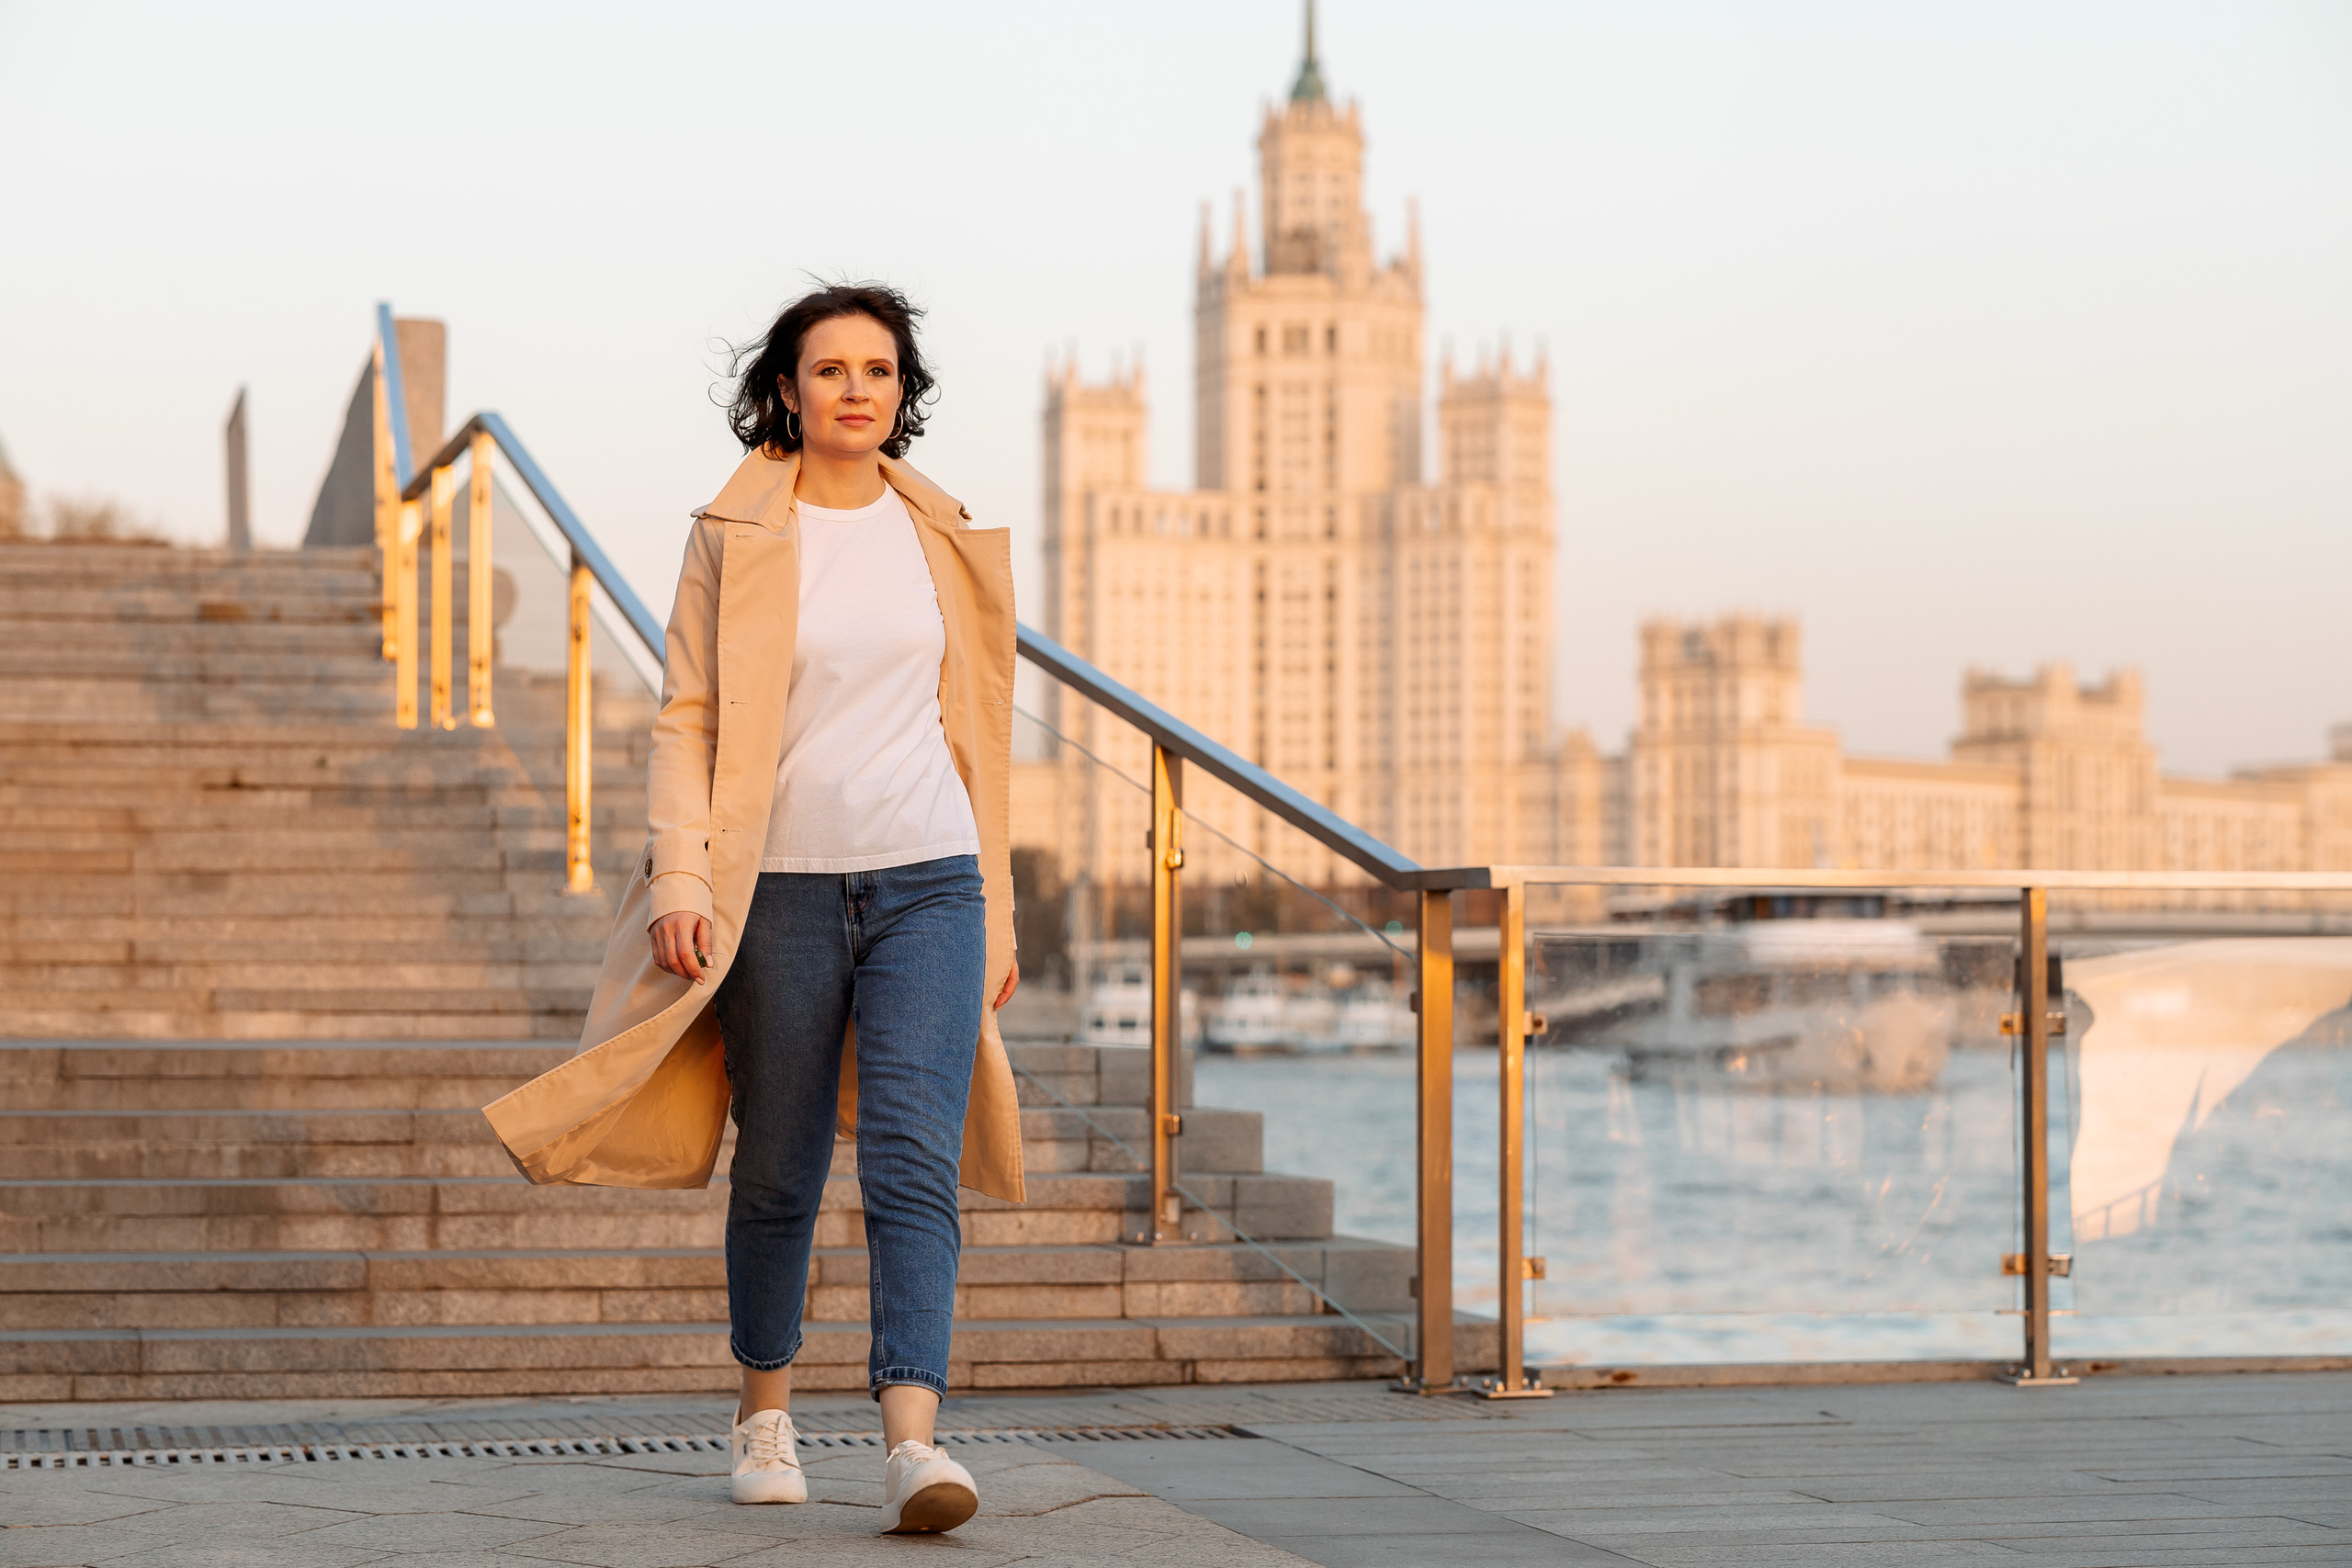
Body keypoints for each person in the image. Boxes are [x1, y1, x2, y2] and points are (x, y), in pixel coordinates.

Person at [483, 281, 1026, 1535]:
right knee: (779, 1161)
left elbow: (981, 733)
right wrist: (682, 879)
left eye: (878, 371)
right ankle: (764, 1413)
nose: (855, 390)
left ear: (903, 391)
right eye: (830, 369)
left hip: (933, 876)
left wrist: (996, 908)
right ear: (787, 389)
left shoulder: (942, 535)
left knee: (912, 1158)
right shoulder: (733, 534)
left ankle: (912, 1444)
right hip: (774, 884)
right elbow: (687, 718)